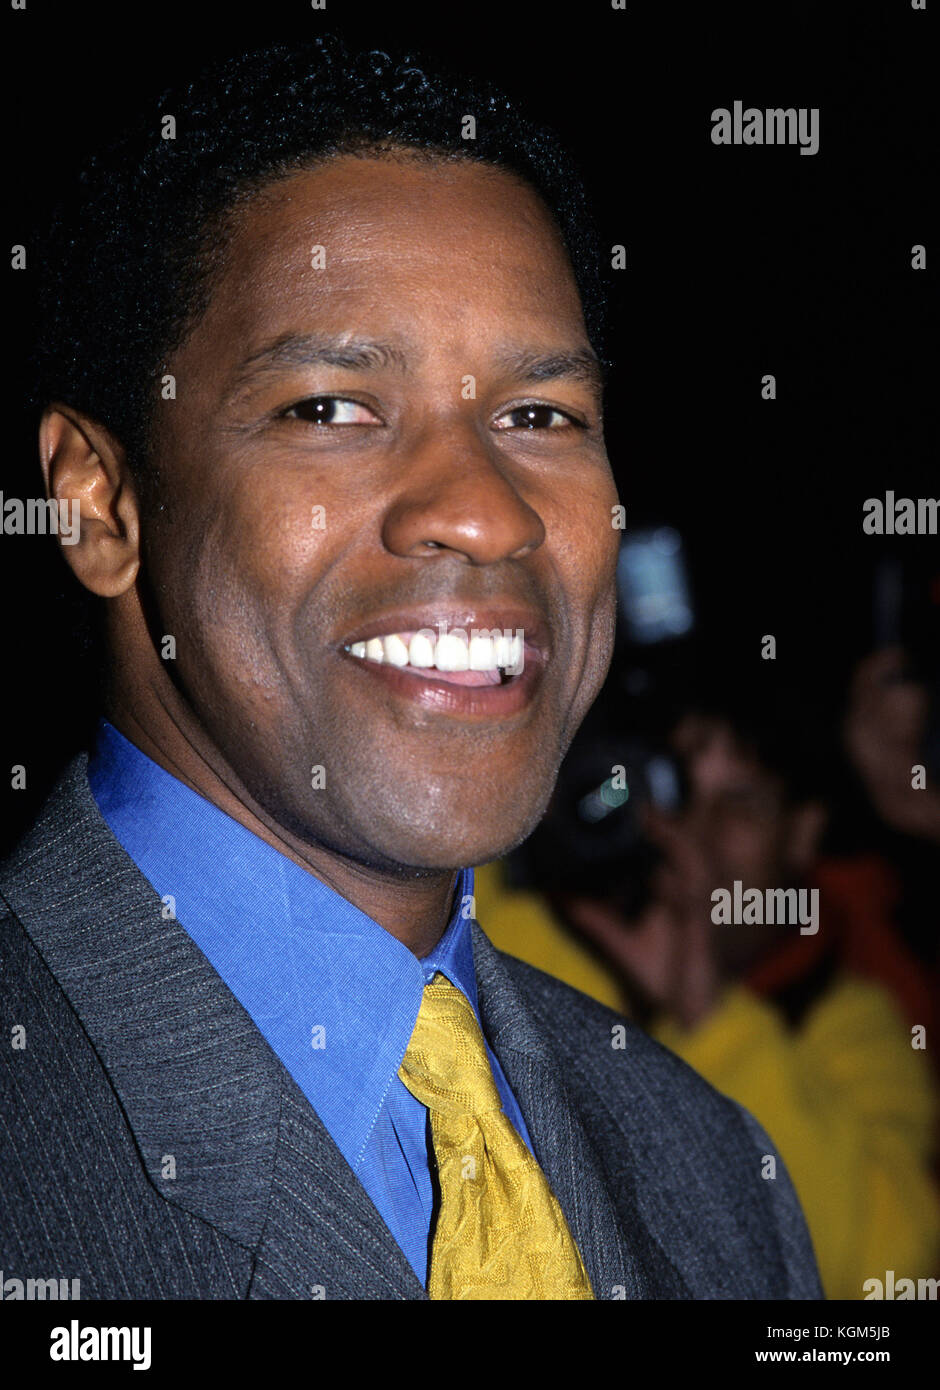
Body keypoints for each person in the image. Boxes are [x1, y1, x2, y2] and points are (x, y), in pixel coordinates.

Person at [0, 38, 821, 1300]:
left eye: (539, 416)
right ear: (99, 506)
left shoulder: (713, 1177)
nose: (485, 512)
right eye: (330, 407)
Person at [480, 685, 939, 1298]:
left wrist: (706, 1016)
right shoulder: (529, 925)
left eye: (740, 805)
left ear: (803, 834)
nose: (694, 833)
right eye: (678, 793)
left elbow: (888, 1271)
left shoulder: (845, 1021)